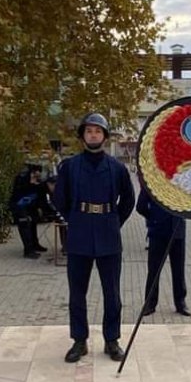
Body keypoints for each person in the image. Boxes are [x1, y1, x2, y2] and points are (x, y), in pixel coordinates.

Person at [53, 112, 135, 363]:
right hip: (79, 235)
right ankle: (79, 340)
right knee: (77, 292)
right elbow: (60, 199)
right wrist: (74, 219)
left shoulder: (117, 168)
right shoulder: (70, 167)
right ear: (82, 136)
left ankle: (112, 340)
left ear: (105, 136)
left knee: (112, 293)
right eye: (89, 131)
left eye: (98, 131)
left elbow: (128, 200)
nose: (93, 135)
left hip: (108, 235)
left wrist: (113, 221)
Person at [135, 185, 190, 317]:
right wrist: (153, 218)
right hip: (158, 231)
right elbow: (140, 206)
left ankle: (180, 302)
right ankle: (150, 303)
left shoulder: (181, 180)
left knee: (178, 270)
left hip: (177, 231)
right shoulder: (153, 180)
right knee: (154, 269)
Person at [10, 163, 48, 258]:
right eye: (37, 172)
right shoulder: (22, 178)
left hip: (31, 206)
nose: (39, 174)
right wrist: (30, 183)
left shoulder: (38, 182)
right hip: (19, 206)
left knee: (34, 223)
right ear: (33, 172)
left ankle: (35, 244)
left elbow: (41, 196)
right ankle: (28, 250)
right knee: (25, 225)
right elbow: (17, 193)